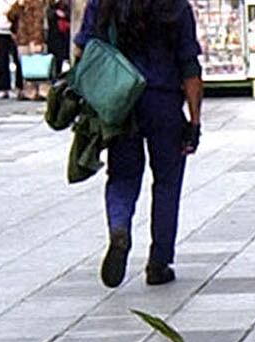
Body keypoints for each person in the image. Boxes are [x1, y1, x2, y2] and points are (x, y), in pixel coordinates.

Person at [78, 0, 202, 289]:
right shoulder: (175, 7)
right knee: (167, 182)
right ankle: (159, 262)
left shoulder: (102, 3)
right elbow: (189, 65)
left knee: (122, 176)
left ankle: (119, 227)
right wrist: (194, 122)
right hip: (164, 100)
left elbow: (85, 50)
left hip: (119, 101)